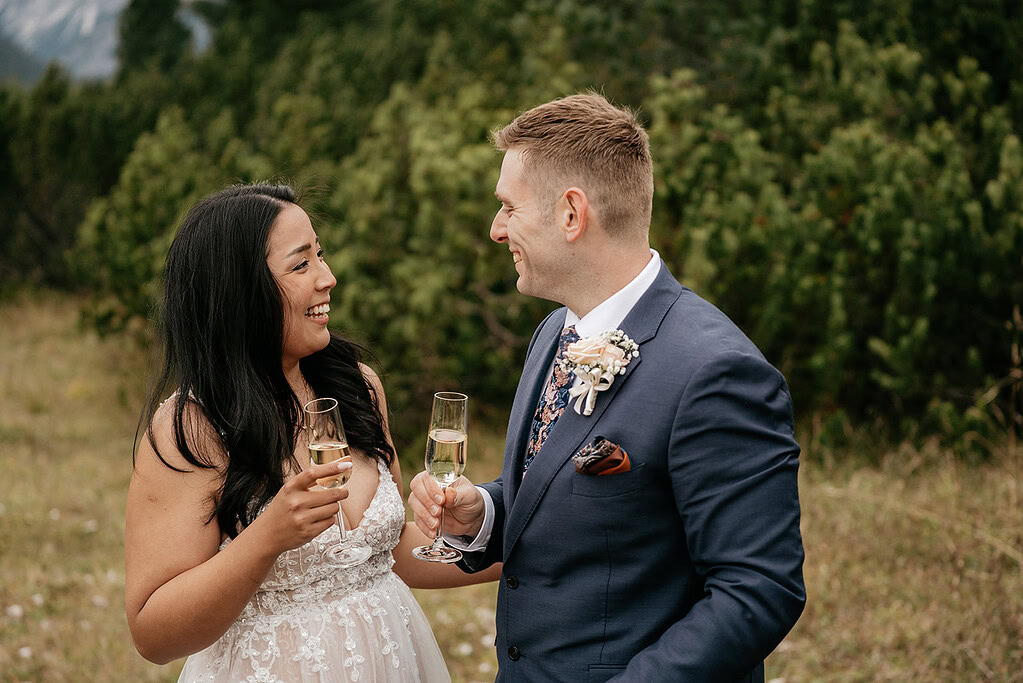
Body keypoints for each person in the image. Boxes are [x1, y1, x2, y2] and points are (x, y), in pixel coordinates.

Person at [409, 93, 806, 681]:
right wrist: (483, 515)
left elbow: (758, 589)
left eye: (509, 207)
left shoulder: (716, 372)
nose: (496, 229)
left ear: (572, 214)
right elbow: (562, 496)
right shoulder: (554, 331)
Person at [125, 183, 500, 682]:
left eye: (320, 255)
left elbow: (383, 556)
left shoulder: (358, 387)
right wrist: (266, 538)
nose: (328, 277)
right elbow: (153, 635)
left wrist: (514, 546)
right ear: (241, 292)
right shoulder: (192, 428)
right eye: (301, 264)